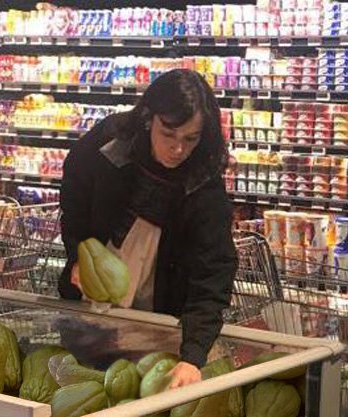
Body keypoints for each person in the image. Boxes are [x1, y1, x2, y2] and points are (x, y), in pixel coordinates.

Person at [59, 68, 238, 388]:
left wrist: (192, 356)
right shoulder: (110, 143)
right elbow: (75, 192)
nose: (178, 149)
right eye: (168, 134)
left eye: (190, 138)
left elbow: (213, 274)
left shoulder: (204, 186)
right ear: (148, 118)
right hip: (89, 311)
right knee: (82, 389)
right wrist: (77, 254)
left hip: (157, 323)